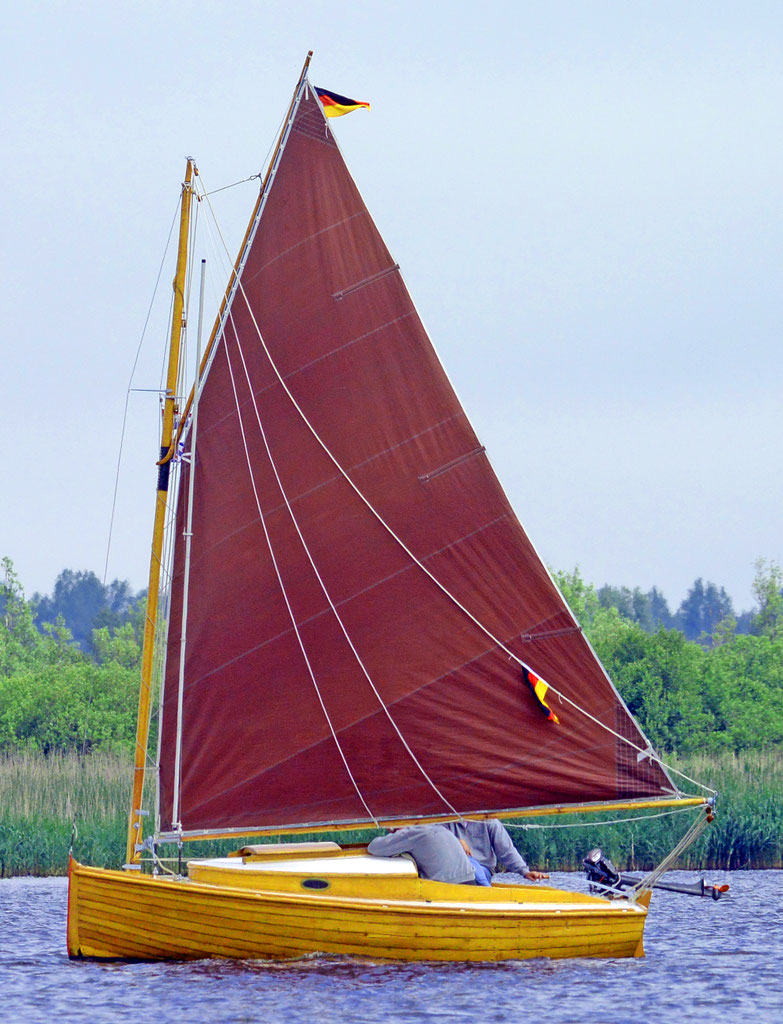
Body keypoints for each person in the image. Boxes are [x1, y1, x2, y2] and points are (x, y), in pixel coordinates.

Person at [367, 824, 488, 885]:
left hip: (450, 888)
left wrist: (393, 834)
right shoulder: (437, 828)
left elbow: (374, 847)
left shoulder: (412, 834)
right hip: (471, 882)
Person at [443, 819, 549, 881]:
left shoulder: (490, 821)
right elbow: (432, 837)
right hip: (454, 872)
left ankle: (487, 894)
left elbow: (507, 851)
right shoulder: (444, 821)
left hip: (482, 870)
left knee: (473, 868)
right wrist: (455, 841)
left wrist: (525, 872)